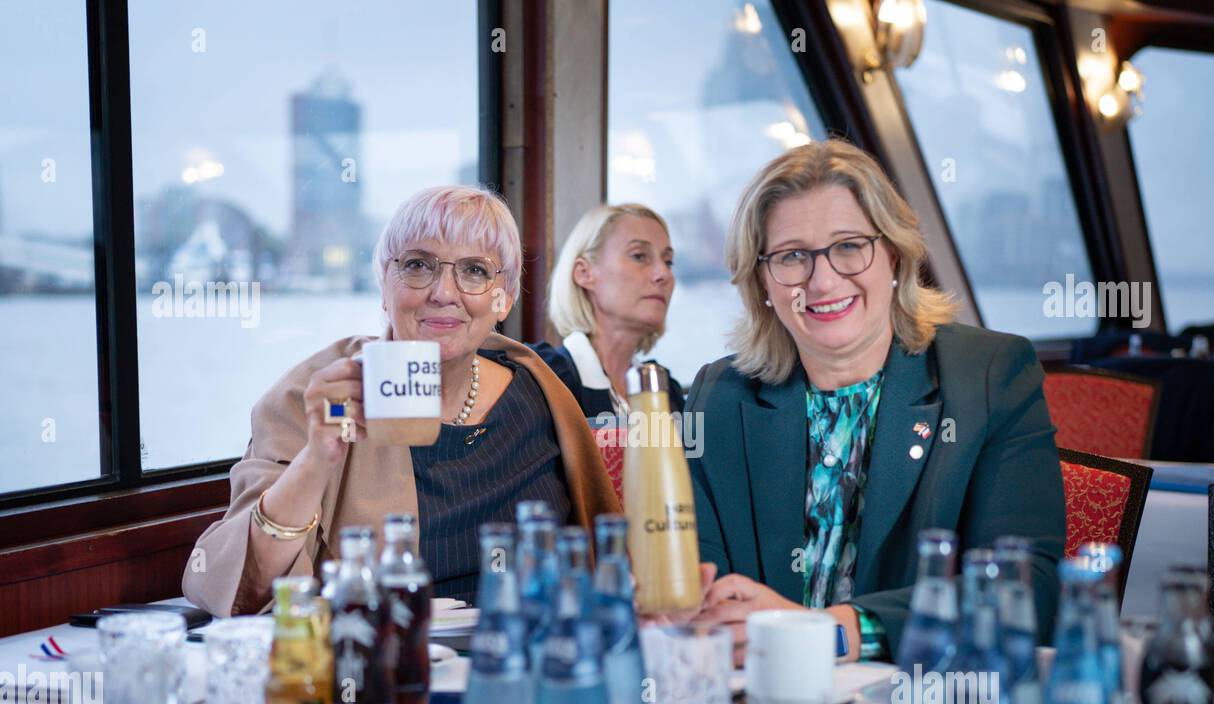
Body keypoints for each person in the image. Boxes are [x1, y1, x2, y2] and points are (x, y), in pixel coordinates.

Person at [684, 140, 1066, 662]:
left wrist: (831, 632)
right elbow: (693, 585)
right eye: (792, 256)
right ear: (762, 283)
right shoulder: (720, 398)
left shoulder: (989, 377)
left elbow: (1026, 592)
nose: (822, 280)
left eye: (848, 246)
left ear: (893, 253)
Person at [184, 185, 620, 615]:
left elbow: (604, 550)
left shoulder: (539, 391)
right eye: (417, 265)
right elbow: (243, 584)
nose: (444, 293)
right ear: (384, 286)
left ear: (502, 299)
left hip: (541, 655)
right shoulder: (317, 395)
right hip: (392, 663)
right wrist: (317, 460)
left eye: (474, 271)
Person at [532, 203, 685, 417]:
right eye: (639, 256)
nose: (663, 274)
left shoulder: (666, 391)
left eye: (668, 262)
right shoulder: (544, 380)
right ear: (584, 273)